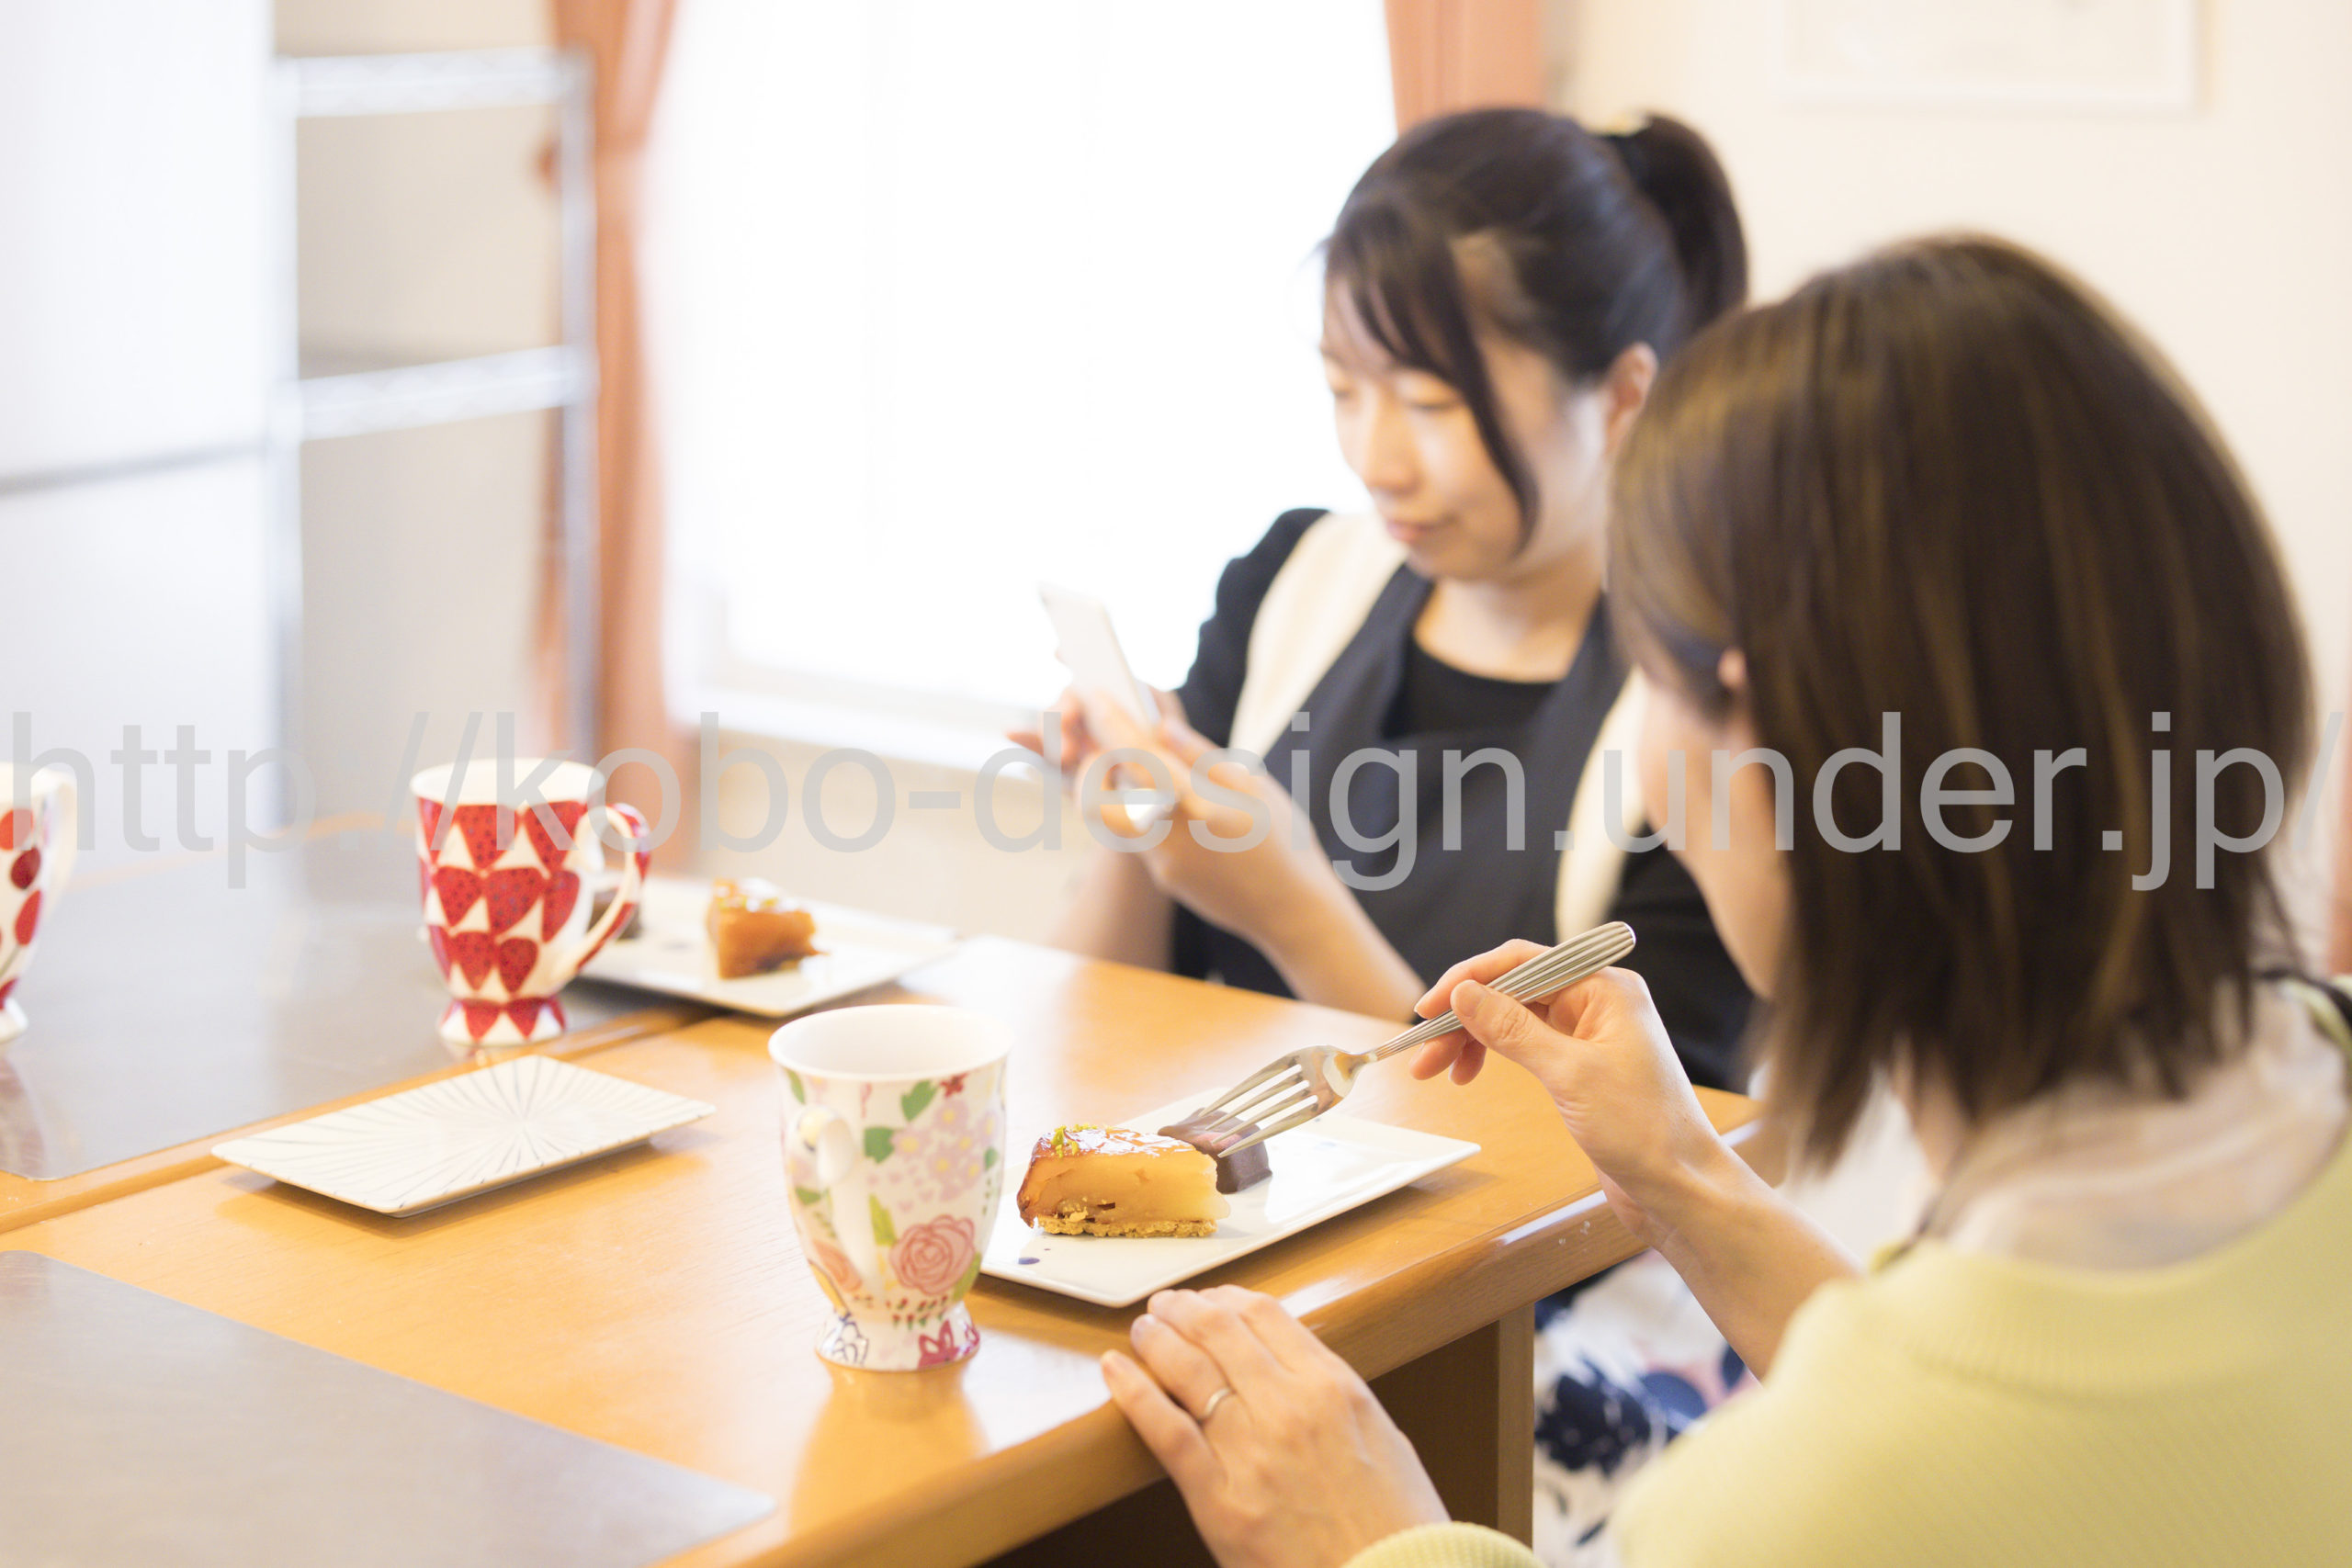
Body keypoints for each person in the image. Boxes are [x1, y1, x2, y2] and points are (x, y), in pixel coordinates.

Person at [1096, 234, 2352, 1567]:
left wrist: (1376, 1543)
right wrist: (1688, 1176)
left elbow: (1914, 1479)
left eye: (1653, 675)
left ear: (1766, 742)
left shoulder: (1783, 1512)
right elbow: (2044, 1458)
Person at [1017, 108, 1759, 1553]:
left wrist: (1294, 908)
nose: (1379, 460)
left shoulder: (1694, 708)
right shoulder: (1297, 579)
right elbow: (1105, 1019)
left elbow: (1625, 1188)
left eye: (1428, 404)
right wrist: (1133, 819)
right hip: (1233, 1277)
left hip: (1523, 1346)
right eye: (1343, 390)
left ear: (1623, 395)